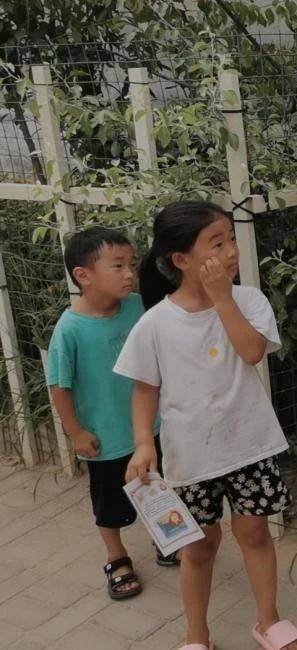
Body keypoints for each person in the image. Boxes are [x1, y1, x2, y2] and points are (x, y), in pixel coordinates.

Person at [116, 201, 297, 650]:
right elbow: (145, 389)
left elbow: (250, 352)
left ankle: (267, 620)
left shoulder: (249, 302)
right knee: (197, 549)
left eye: (230, 240)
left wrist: (223, 298)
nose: (230, 251)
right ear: (181, 259)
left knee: (256, 536)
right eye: (216, 243)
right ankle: (196, 634)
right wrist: (143, 444)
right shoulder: (156, 323)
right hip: (190, 458)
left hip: (249, 446)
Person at [45, 226, 178, 602]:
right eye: (117, 266)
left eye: (131, 265)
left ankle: (166, 539)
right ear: (83, 275)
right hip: (105, 436)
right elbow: (59, 385)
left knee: (157, 486)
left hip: (151, 425)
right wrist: (75, 432)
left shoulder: (138, 306)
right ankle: (117, 558)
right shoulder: (69, 329)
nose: (128, 274)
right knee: (109, 502)